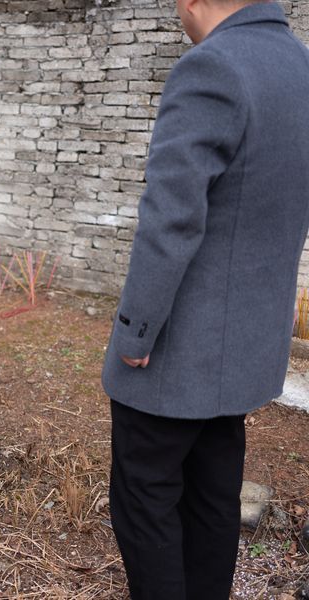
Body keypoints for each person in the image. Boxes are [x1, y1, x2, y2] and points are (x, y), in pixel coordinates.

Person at [101, 1, 309, 598]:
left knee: (146, 501)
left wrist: (136, 334)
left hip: (178, 353)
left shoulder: (211, 67)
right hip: (246, 348)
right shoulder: (297, 64)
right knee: (215, 496)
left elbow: (171, 221)